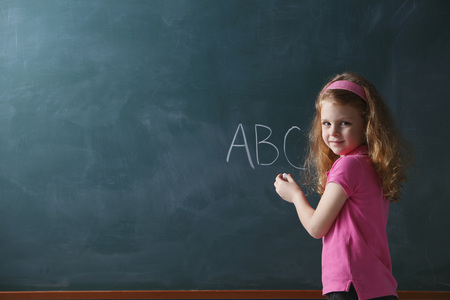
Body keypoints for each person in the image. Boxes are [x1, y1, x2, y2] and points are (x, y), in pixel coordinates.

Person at [274, 72, 412, 300]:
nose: (333, 132)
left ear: (366, 125)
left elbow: (317, 228)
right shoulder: (372, 163)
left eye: (344, 123)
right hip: (376, 285)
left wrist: (295, 196)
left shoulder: (348, 166)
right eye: (326, 123)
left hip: (351, 284)